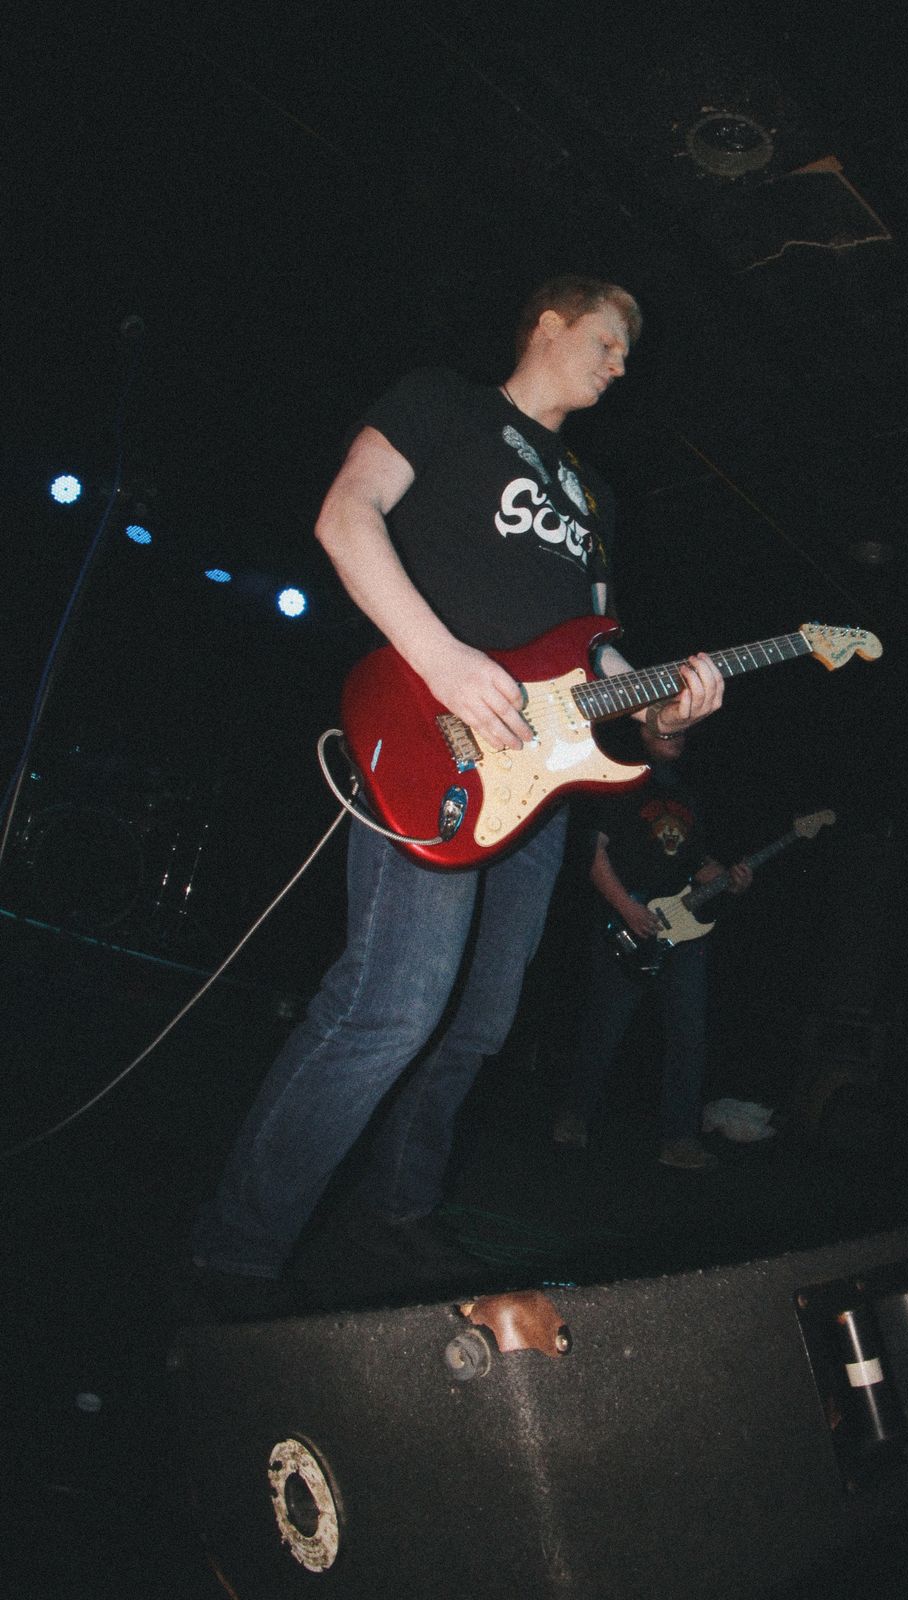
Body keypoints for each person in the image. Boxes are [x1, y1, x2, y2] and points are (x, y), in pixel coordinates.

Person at [188, 275, 727, 1303]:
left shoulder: (596, 498)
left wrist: (664, 715)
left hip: (542, 779)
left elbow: (603, 659)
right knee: (392, 1003)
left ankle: (394, 1216)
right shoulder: (444, 402)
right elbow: (346, 514)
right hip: (432, 732)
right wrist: (440, 660)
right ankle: (236, 1250)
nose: (621, 365)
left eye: (627, 352)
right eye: (608, 340)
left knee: (480, 1022)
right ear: (549, 323)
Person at [553, 719, 751, 1169]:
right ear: (642, 731)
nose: (676, 738)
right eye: (666, 731)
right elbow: (593, 852)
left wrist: (730, 880)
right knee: (605, 1025)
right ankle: (574, 1116)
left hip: (684, 930)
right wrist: (626, 907)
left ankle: (678, 1139)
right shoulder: (621, 781)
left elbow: (697, 864)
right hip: (628, 923)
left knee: (689, 1035)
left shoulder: (686, 794)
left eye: (681, 732)